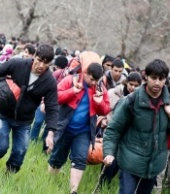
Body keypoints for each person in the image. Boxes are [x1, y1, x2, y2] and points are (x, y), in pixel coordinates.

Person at [0, 44, 59, 173]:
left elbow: (52, 107)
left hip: (24, 122)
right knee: (1, 147)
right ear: (34, 56)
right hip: (4, 114)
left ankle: (6, 180)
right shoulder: (18, 64)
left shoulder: (49, 81)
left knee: (18, 155)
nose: (41, 65)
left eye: (46, 63)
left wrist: (51, 133)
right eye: (40, 60)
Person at [103, 59, 170, 194]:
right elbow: (113, 129)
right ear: (146, 76)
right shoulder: (131, 101)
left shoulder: (169, 104)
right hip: (130, 162)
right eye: (153, 78)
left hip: (154, 166)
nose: (157, 82)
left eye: (161, 78)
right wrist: (109, 152)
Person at [48, 51, 110, 194]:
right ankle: (49, 183)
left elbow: (105, 110)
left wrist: (99, 103)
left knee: (80, 159)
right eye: (92, 79)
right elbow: (56, 97)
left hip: (84, 131)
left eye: (97, 80)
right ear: (86, 73)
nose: (94, 83)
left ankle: (73, 191)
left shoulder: (100, 89)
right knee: (57, 158)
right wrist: (73, 91)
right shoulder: (71, 80)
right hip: (65, 127)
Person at [99, 72, 142, 186]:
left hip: (129, 140)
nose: (132, 87)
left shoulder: (141, 100)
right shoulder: (119, 96)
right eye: (131, 84)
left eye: (136, 85)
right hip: (115, 135)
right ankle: (102, 186)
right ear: (126, 83)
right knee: (109, 166)